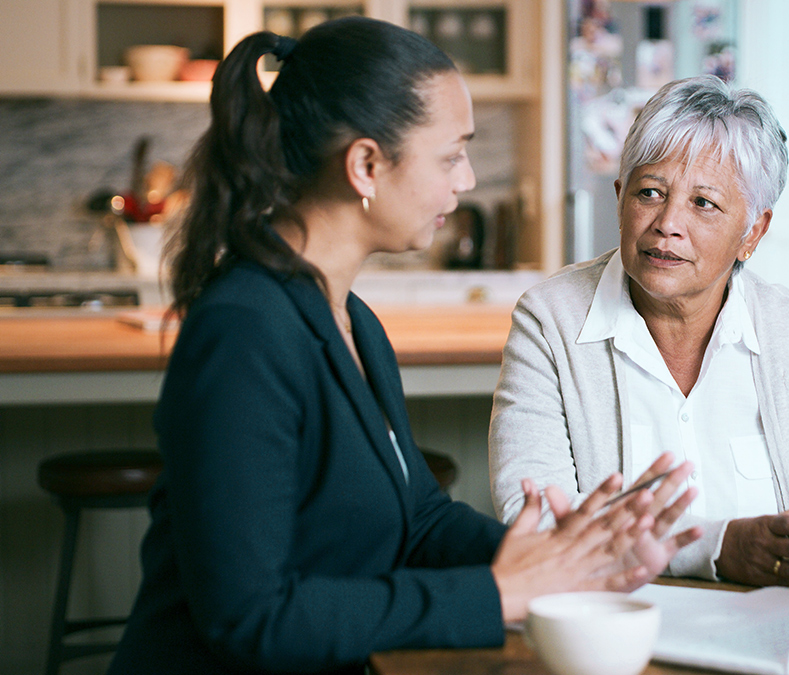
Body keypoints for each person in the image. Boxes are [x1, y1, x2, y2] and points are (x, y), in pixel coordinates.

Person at [108, 18, 699, 675]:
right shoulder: (245, 331)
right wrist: (500, 592)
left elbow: (416, 517)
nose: (468, 178)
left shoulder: (352, 319)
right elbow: (251, 615)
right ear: (365, 165)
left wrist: (561, 554)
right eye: (451, 155)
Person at [490, 75, 789, 589]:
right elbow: (531, 514)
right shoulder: (550, 320)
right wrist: (717, 547)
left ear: (752, 231)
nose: (668, 223)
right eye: (650, 193)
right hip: (614, 632)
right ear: (621, 199)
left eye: (703, 203)